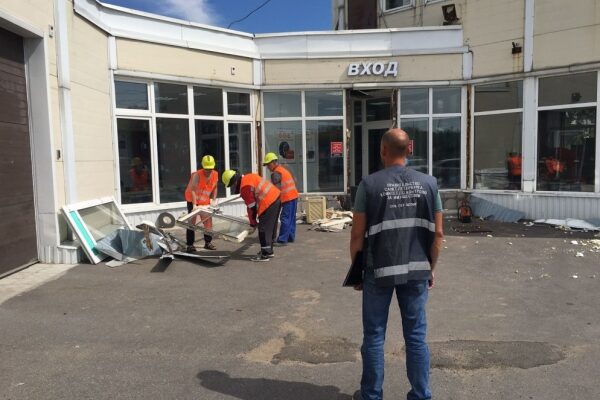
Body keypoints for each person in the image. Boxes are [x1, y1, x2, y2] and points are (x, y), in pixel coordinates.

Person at [350, 128, 444, 400]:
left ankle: (371, 395)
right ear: (409, 150)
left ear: (382, 151)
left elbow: (357, 234)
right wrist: (431, 269)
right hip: (416, 270)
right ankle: (420, 394)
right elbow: (438, 234)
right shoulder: (430, 184)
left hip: (377, 270)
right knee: (416, 337)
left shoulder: (369, 184)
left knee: (374, 336)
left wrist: (357, 271)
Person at [222, 169, 281, 262]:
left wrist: (253, 224)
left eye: (232, 185)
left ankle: (265, 254)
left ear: (235, 181)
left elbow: (252, 207)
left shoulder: (244, 187)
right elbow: (252, 205)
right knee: (271, 227)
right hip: (276, 197)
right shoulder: (248, 177)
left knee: (263, 228)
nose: (233, 187)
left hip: (268, 202)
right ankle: (269, 251)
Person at [263, 152, 299, 245]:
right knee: (291, 218)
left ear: (273, 163)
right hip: (293, 196)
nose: (267, 167)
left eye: (268, 165)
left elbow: (276, 189)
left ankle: (282, 240)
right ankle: (290, 237)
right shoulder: (282, 170)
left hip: (287, 197)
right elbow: (294, 180)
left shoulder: (276, 173)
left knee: (285, 218)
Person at [184, 155, 219, 252]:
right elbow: (193, 191)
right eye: (206, 169)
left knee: (208, 222)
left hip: (205, 201)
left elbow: (215, 188)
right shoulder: (197, 175)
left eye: (210, 169)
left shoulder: (215, 174)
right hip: (193, 200)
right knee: (191, 223)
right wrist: (194, 205)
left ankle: (208, 243)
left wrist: (213, 200)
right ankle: (190, 245)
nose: (208, 171)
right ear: (203, 167)